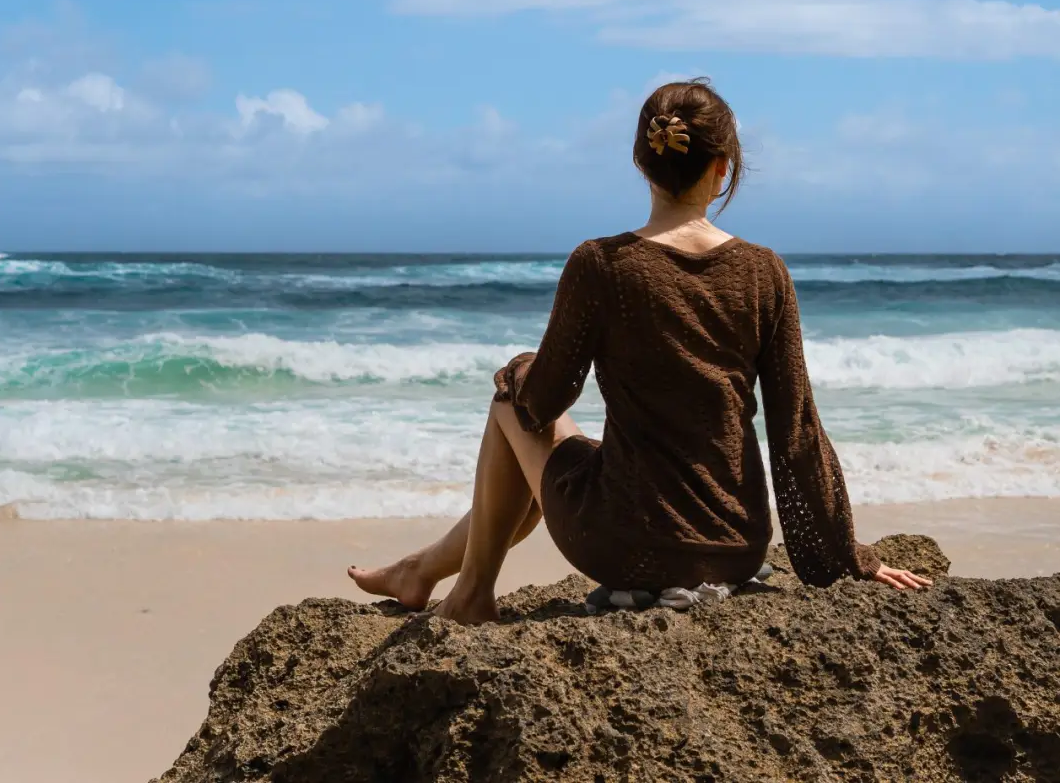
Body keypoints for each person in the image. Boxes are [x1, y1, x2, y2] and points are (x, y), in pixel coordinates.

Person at [350, 78, 931, 622]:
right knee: (579, 455)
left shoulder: (600, 265)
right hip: (734, 548)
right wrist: (851, 558)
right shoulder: (764, 272)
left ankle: (470, 592)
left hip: (625, 544)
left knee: (509, 405)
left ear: (640, 161)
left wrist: (521, 367)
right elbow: (796, 432)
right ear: (725, 170)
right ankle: (418, 570)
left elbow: (541, 403)